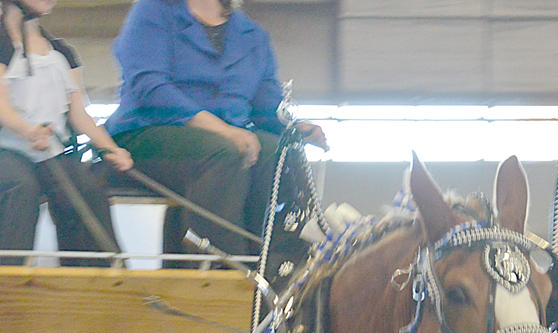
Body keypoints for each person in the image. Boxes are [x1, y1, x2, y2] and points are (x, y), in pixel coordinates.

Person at [104, 0, 327, 265]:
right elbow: (149, 85)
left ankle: (266, 262)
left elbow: (266, 104)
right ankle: (219, 268)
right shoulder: (154, 11)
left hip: (226, 139)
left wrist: (295, 128)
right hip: (148, 131)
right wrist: (221, 129)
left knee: (276, 153)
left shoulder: (253, 35)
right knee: (223, 152)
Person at [0, 0, 133, 266]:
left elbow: (78, 114)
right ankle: (9, 280)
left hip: (50, 150)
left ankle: (102, 284)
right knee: (20, 187)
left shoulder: (62, 52)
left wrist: (111, 148)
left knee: (86, 189)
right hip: (7, 149)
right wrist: (28, 131)